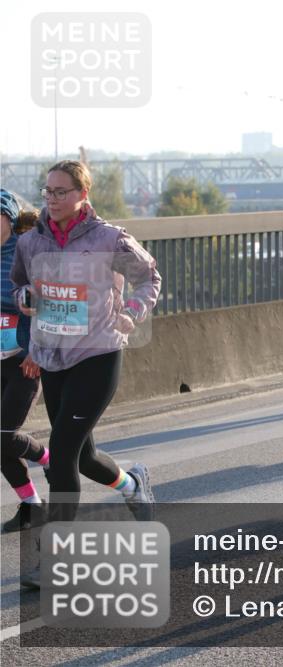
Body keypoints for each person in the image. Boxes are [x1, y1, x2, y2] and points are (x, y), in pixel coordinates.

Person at [11, 161, 160, 587]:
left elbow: (149, 279)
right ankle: (133, 485)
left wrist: (132, 310)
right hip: (53, 357)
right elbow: (20, 285)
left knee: (61, 453)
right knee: (84, 456)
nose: (51, 199)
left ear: (82, 195)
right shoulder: (31, 242)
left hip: (97, 354)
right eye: (47, 191)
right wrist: (25, 297)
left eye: (61, 192)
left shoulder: (109, 238)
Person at [1, 190, 49, 532]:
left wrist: (37, 348)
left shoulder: (27, 250)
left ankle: (52, 460)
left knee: (3, 434)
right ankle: (31, 504)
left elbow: (46, 301)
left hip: (24, 358)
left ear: (9, 217)